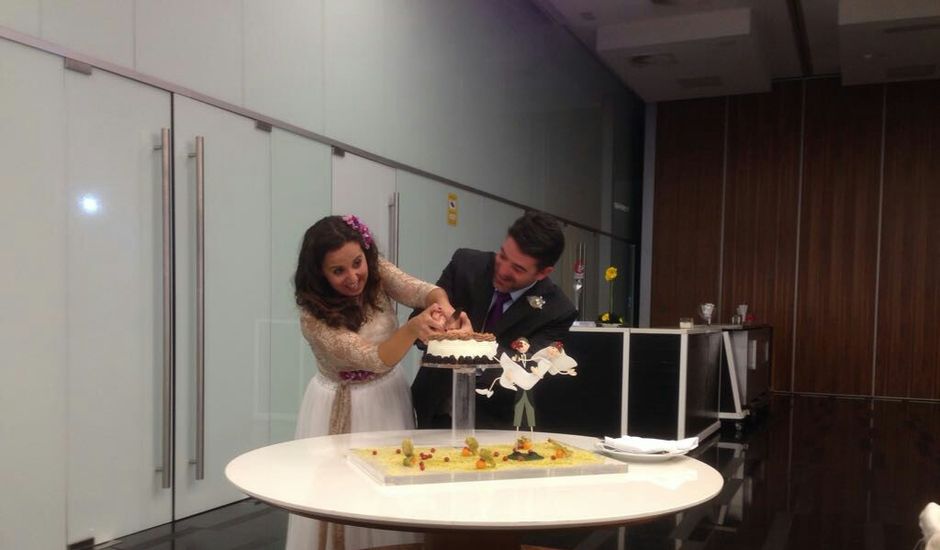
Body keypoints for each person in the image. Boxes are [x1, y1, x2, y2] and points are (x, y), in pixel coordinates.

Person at [285, 214, 455, 550]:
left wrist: (442, 306)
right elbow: (375, 357)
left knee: (391, 482)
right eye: (338, 271)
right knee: (343, 492)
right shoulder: (313, 318)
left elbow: (419, 289)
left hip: (388, 394)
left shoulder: (375, 270)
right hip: (343, 403)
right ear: (319, 275)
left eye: (357, 263)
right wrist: (412, 329)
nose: (353, 277)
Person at [411, 211, 578, 429]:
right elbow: (417, 324)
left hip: (492, 425)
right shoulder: (466, 265)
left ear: (543, 273)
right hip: (429, 410)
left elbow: (528, 368)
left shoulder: (557, 310)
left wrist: (472, 345)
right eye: (503, 255)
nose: (503, 270)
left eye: (518, 268)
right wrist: (437, 327)